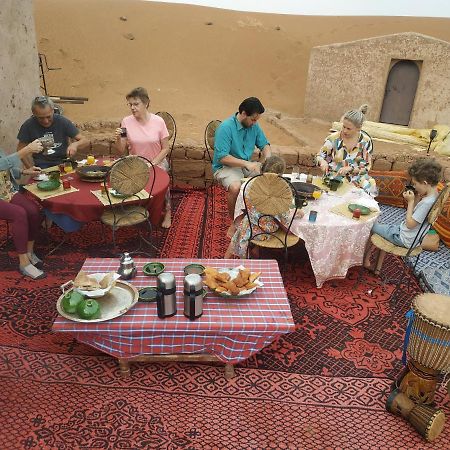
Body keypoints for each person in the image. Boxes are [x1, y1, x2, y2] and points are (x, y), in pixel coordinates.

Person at [364, 158, 442, 275]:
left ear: (425, 183)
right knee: (384, 228)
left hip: (404, 238)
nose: (414, 187)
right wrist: (416, 198)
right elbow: (418, 217)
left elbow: (410, 224)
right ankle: (377, 269)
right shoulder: (435, 196)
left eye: (415, 184)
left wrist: (410, 202)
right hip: (411, 237)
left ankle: (365, 261)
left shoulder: (427, 203)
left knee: (370, 225)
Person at [224, 155, 304, 258]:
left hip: (248, 224)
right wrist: (296, 212)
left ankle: (227, 258)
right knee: (282, 220)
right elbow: (283, 216)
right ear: (280, 175)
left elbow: (243, 206)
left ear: (262, 169)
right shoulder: (279, 191)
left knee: (244, 225)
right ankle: (255, 249)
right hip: (267, 228)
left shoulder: (249, 184)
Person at [115, 87, 171, 228]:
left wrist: (152, 164)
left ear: (146, 103)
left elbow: (166, 148)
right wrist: (118, 138)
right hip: (135, 163)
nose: (132, 108)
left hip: (156, 161)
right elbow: (121, 151)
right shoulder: (126, 122)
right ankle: (130, 211)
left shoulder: (159, 121)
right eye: (130, 104)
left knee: (161, 177)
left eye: (136, 104)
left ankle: (168, 211)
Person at [213, 97, 271, 223]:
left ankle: (259, 217)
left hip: (246, 166)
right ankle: (234, 222)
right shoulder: (225, 127)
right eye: (253, 119)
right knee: (235, 187)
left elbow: (265, 145)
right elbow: (222, 157)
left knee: (269, 178)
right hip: (226, 167)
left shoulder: (254, 126)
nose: (255, 123)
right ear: (244, 113)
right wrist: (246, 163)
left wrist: (268, 159)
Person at [0, 139, 47, 279]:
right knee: (19, 213)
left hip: (6, 191)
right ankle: (24, 263)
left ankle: (29, 252)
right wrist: (25, 151)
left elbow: (5, 167)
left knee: (33, 210)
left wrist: (24, 171)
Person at [316, 104, 377, 195]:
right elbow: (320, 156)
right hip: (335, 176)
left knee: (369, 186)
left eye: (349, 129)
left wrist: (350, 168)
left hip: (357, 178)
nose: (344, 131)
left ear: (358, 128)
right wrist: (322, 161)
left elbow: (366, 167)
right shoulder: (333, 138)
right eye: (343, 127)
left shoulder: (365, 141)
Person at [17, 96, 88, 169]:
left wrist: (75, 145)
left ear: (53, 110)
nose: (46, 121)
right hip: (42, 166)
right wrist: (30, 168)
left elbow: (85, 141)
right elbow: (20, 150)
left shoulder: (62, 121)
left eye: (48, 117)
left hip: (63, 163)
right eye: (41, 118)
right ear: (34, 114)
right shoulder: (28, 126)